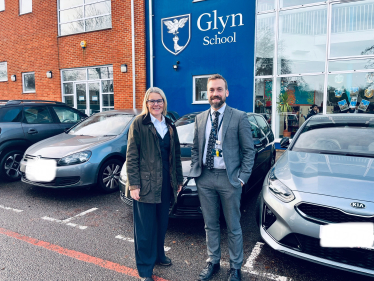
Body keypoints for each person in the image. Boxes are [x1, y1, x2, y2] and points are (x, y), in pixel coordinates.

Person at [189, 74, 255, 281]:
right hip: (205, 178)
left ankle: (235, 267)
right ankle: (213, 261)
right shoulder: (200, 118)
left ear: (226, 92)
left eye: (219, 89)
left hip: (230, 179)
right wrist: (195, 174)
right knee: (210, 224)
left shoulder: (239, 117)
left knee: (233, 226)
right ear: (206, 94)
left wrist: (242, 178)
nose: (215, 94)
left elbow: (248, 151)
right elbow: (195, 149)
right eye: (211, 90)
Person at [126, 87, 183, 281]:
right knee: (145, 229)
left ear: (164, 103)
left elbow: (175, 156)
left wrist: (178, 180)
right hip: (145, 184)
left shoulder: (170, 124)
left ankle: (158, 255)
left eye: (159, 100)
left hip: (166, 183)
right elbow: (131, 156)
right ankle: (144, 269)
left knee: (161, 223)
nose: (156, 104)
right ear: (147, 103)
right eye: (152, 101)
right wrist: (134, 185)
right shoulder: (139, 124)